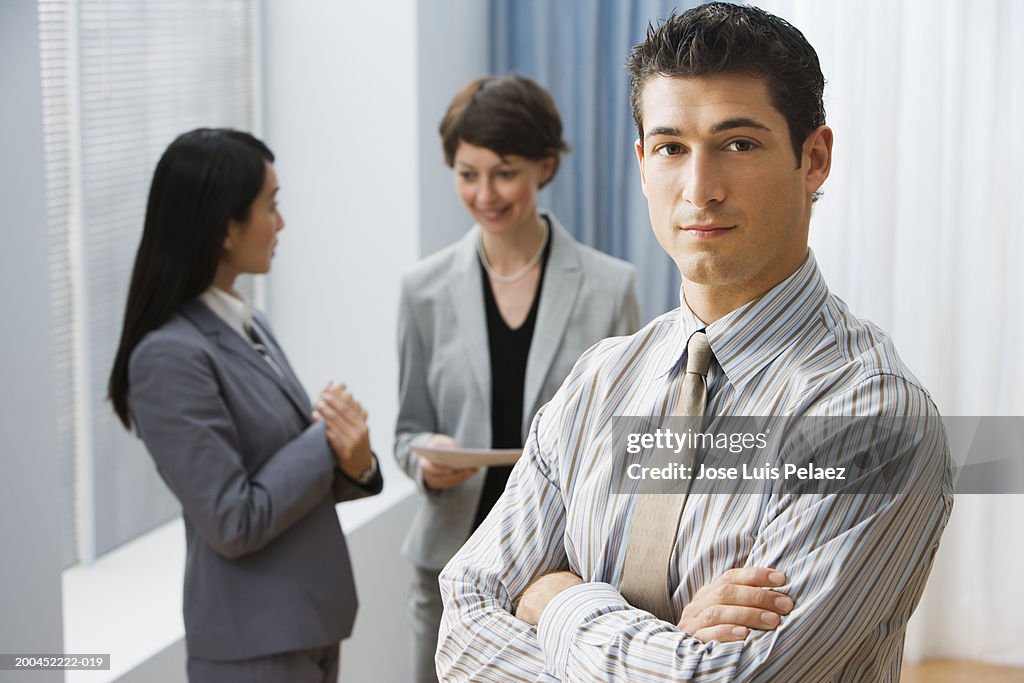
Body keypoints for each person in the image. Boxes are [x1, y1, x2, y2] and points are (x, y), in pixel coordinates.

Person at [437, 4, 953, 681]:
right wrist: (667, 644)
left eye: (738, 143)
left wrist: (557, 597)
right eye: (672, 147)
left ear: (814, 159)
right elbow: (464, 631)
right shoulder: (599, 379)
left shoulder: (871, 417)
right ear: (643, 162)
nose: (699, 189)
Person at [108, 128, 382, 682]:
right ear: (225, 228)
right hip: (253, 645)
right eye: (270, 206)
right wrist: (323, 439)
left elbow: (282, 472)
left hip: (305, 626)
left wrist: (357, 462)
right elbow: (233, 519)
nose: (281, 224)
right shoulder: (167, 357)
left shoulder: (247, 321)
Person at [394, 74, 642, 682]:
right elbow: (408, 429)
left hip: (561, 577)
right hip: (449, 562)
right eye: (466, 173)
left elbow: (634, 439)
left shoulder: (612, 287)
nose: (485, 193)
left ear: (546, 166)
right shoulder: (422, 289)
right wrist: (427, 461)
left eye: (504, 172)